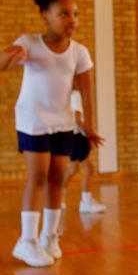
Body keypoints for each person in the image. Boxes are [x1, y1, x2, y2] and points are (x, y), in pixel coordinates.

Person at [0, 0, 104, 267]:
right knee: (38, 176)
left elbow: (87, 91)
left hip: (63, 122)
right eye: (64, 13)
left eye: (75, 14)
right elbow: (1, 66)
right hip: (33, 120)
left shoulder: (79, 51)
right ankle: (26, 241)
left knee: (58, 177)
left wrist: (90, 126)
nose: (72, 19)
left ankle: (49, 237)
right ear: (46, 16)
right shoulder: (29, 42)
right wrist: (11, 54)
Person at [61, 80, 107, 214]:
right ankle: (86, 202)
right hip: (77, 135)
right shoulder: (75, 95)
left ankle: (58, 197)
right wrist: (89, 132)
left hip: (69, 135)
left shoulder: (65, 95)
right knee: (88, 167)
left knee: (74, 168)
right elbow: (77, 120)